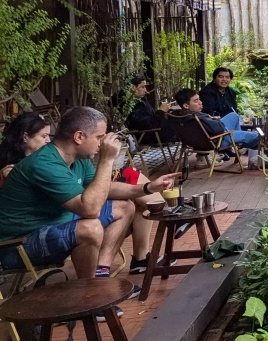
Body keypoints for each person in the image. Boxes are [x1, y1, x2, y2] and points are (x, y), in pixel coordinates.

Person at [0, 107, 179, 292]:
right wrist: (106, 161)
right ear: (79, 137)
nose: (101, 144)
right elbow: (90, 209)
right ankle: (91, 295)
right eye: (99, 137)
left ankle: (100, 276)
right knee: (90, 228)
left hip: (56, 225)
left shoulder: (77, 158)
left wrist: (147, 188)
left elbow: (103, 189)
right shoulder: (44, 164)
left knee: (124, 207)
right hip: (19, 245)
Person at [174, 89, 262, 168]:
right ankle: (243, 145)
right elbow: (220, 128)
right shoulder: (198, 116)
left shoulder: (177, 116)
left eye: (199, 99)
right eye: (196, 101)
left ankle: (240, 145)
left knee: (234, 116)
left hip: (200, 140)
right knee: (257, 136)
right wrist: (212, 120)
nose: (200, 102)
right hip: (218, 140)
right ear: (186, 105)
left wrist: (211, 119)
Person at [123, 76, 177, 142]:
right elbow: (147, 124)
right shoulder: (131, 106)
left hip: (156, 133)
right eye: (143, 87)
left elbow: (152, 118)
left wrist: (165, 112)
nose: (146, 90)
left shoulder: (143, 101)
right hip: (148, 136)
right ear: (133, 87)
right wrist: (160, 112)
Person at [0, 112, 51, 182]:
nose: (49, 140)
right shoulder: (11, 167)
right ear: (25, 137)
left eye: (48, 136)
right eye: (44, 136)